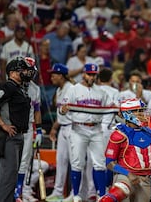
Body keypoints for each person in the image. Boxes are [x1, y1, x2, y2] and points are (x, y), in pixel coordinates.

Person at [60, 63, 114, 202]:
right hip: (79, 128)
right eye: (89, 74)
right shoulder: (73, 89)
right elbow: (62, 108)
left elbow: (111, 107)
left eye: (94, 75)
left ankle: (101, 194)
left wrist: (107, 122)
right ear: (84, 74)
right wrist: (64, 110)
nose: (91, 77)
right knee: (77, 162)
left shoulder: (101, 92)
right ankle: (76, 195)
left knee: (100, 163)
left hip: (96, 128)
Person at [98, 98, 151, 202]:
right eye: (139, 111)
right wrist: (128, 174)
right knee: (117, 193)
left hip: (145, 179)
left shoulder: (150, 134)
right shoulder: (119, 134)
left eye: (142, 110)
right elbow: (109, 163)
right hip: (124, 176)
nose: (143, 114)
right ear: (128, 114)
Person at [0, 57, 32, 202]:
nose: (25, 72)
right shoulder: (8, 86)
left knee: (12, 174)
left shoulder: (20, 88)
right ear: (12, 73)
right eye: (22, 70)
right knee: (8, 175)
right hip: (9, 137)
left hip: (19, 135)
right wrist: (2, 124)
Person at [14, 57, 42, 202]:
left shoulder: (35, 89)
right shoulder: (13, 85)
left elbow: (37, 110)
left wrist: (40, 130)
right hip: (13, 126)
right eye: (26, 70)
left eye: (31, 71)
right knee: (12, 160)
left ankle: (18, 191)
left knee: (24, 161)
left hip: (29, 126)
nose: (29, 73)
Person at [45, 63, 74, 201]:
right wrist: (54, 128)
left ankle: (75, 192)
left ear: (61, 76)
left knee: (75, 162)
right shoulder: (59, 90)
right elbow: (60, 114)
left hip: (73, 128)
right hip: (63, 127)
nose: (51, 77)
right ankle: (57, 192)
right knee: (60, 160)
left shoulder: (71, 89)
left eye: (54, 74)